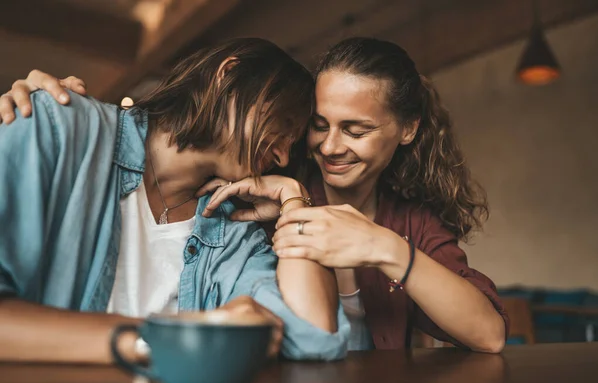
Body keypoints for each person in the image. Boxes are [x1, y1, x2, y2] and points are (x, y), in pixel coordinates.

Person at [1, 37, 508, 353]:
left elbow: (487, 333)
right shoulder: (240, 197)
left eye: (355, 129)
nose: (311, 150)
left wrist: (377, 243)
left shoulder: (240, 211)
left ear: (407, 130)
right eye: (310, 125)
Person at [0, 38, 349, 364]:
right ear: (226, 74)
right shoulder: (57, 125)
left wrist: (293, 198)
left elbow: (313, 337)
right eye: (283, 125)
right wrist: (165, 339)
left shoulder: (233, 231)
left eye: (292, 143)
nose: (283, 156)